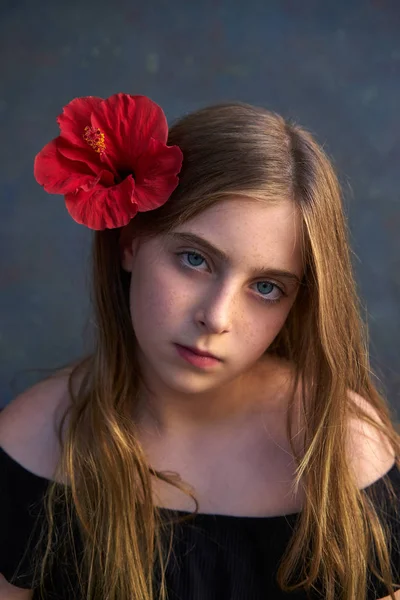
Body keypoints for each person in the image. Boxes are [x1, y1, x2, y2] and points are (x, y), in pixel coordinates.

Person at [0, 93, 399, 600]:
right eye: (194, 259)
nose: (216, 316)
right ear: (131, 242)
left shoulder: (340, 449)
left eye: (267, 287)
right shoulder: (35, 442)